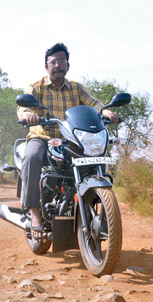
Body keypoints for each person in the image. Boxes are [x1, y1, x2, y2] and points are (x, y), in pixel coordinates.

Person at [17, 42, 119, 238]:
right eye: (53, 62)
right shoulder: (36, 87)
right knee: (31, 158)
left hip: (71, 139)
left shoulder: (76, 88)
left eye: (62, 61)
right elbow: (23, 107)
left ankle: (96, 206)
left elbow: (94, 103)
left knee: (96, 153)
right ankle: (35, 212)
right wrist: (28, 114)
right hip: (43, 137)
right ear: (47, 66)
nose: (58, 65)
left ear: (68, 66)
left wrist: (105, 111)